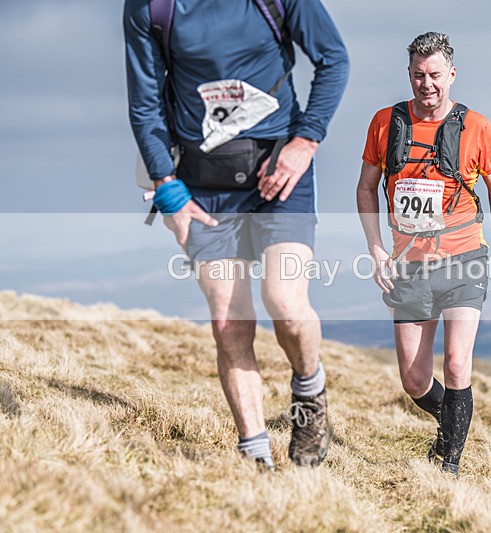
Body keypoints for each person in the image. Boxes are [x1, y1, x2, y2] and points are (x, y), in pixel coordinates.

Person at [123, 0, 349, 470]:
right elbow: (144, 103)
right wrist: (167, 187)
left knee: (285, 303)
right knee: (229, 322)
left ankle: (308, 389)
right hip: (201, 186)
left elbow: (333, 59)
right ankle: (256, 459)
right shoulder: (152, 7)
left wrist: (305, 142)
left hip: (280, 173)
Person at [356, 32, 491, 476]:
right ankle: (452, 422)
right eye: (419, 75)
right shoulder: (384, 123)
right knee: (414, 380)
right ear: (409, 74)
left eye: (436, 75)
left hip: (465, 260)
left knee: (457, 361)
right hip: (408, 265)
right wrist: (375, 249)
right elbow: (366, 187)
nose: (427, 84)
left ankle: (450, 466)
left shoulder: (477, 127)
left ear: (452, 75)